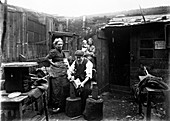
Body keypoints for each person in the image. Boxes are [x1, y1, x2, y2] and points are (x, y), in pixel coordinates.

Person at [45, 38, 70, 113]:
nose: (60, 45)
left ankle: (61, 106)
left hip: (62, 71)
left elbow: (65, 60)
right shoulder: (53, 51)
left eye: (61, 44)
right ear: (55, 45)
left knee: (62, 88)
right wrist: (53, 64)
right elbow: (47, 59)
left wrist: (67, 66)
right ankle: (55, 106)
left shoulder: (62, 52)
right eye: (58, 44)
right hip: (55, 72)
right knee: (56, 90)